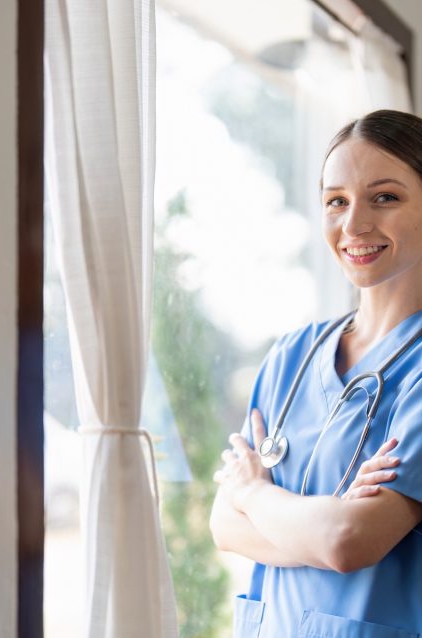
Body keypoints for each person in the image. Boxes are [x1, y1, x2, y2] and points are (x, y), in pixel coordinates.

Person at [210, 109, 422, 638]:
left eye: (385, 197)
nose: (353, 225)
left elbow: (349, 542)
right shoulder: (292, 355)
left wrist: (257, 496)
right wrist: (322, 524)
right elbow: (221, 524)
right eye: (336, 201)